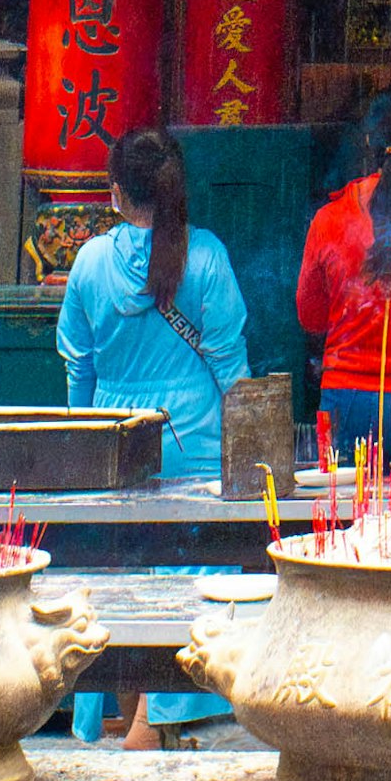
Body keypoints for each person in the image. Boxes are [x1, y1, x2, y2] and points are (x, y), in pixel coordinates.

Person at [54, 125, 252, 736]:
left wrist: (78, 444)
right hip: (195, 444)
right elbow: (231, 369)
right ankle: (154, 723)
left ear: (115, 193)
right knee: (188, 584)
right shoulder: (208, 257)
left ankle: (128, 716)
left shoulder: (89, 263)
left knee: (120, 581)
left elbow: (77, 364)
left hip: (116, 442)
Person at [295, 90, 391, 468]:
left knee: (344, 522)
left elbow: (310, 317)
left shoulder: (330, 218)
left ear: (369, 141)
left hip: (347, 399)